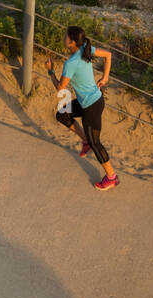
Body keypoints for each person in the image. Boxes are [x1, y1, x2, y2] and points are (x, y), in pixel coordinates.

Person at [47, 26, 118, 191]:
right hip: (88, 101)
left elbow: (60, 89)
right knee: (62, 115)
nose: (63, 37)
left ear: (71, 41)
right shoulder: (86, 49)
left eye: (65, 36)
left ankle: (111, 177)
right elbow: (108, 55)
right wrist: (105, 78)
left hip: (92, 106)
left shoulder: (70, 63)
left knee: (96, 143)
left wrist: (50, 71)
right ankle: (85, 140)